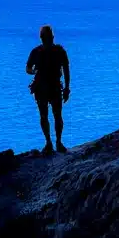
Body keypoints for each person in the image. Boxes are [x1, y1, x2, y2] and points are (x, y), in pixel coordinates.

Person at [26, 25, 70, 154]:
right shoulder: (39, 51)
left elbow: (66, 70)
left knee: (53, 115)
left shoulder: (58, 51)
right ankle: (51, 142)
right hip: (42, 87)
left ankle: (55, 142)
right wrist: (33, 71)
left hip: (52, 86)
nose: (47, 39)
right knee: (47, 115)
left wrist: (67, 88)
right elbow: (28, 68)